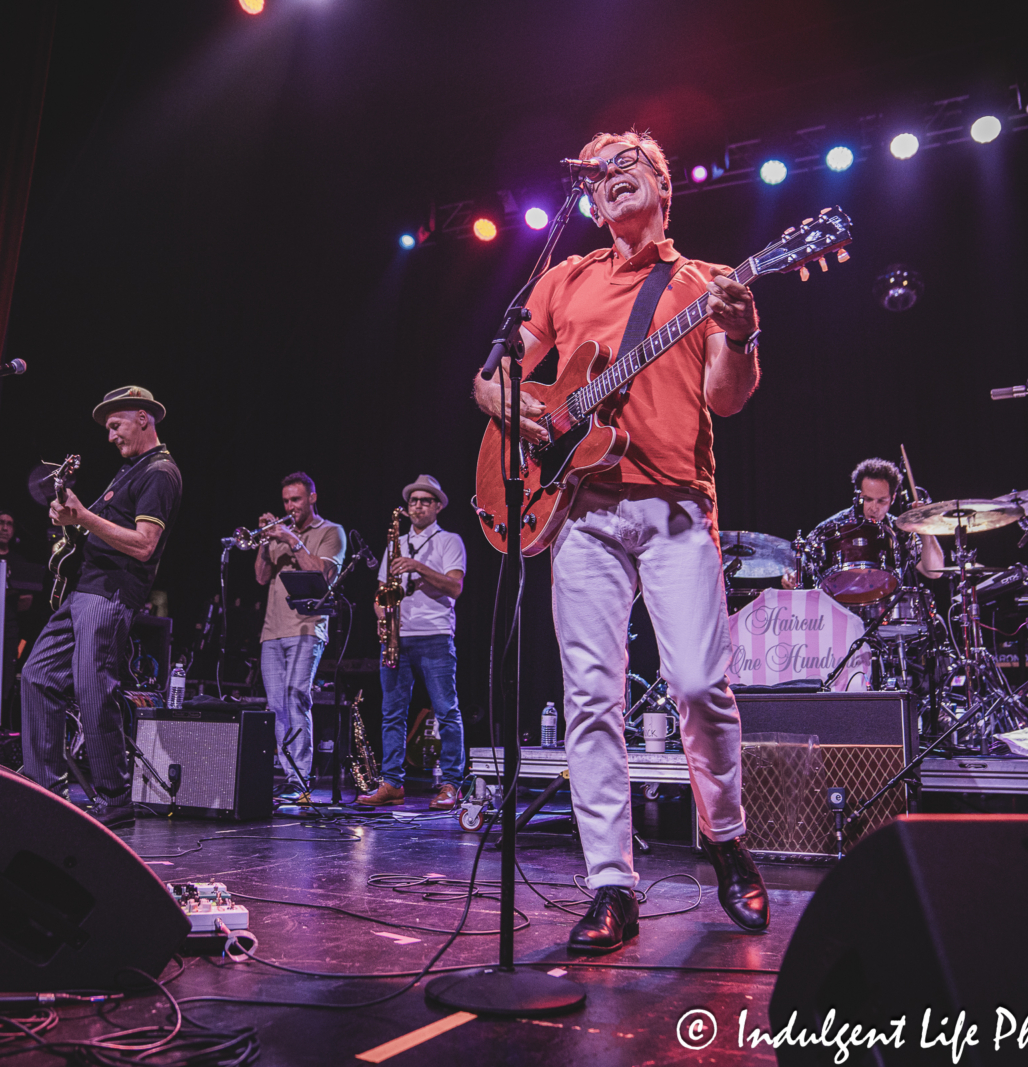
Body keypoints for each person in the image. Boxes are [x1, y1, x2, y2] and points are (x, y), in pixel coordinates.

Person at [472, 130, 769, 951]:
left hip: (676, 508)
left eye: (625, 163)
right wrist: (504, 403)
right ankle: (611, 881)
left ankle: (725, 837)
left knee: (700, 682)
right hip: (579, 511)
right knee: (591, 698)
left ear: (663, 186)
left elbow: (728, 397)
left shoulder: (707, 283)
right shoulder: (564, 278)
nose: (608, 176)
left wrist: (739, 336)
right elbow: (497, 372)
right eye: (596, 170)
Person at [20, 386, 181, 831]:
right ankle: (45, 789)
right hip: (83, 589)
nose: (109, 436)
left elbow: (145, 545)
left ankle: (114, 797)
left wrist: (84, 517)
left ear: (144, 418)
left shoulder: (161, 473)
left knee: (94, 688)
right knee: (36, 675)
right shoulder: (129, 472)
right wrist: (72, 519)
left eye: (116, 425)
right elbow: (96, 530)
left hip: (111, 594)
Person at [358, 475, 468, 809]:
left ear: (437, 506)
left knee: (447, 711)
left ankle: (452, 783)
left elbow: (454, 588)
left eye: (424, 500)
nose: (416, 505)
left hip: (434, 636)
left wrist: (418, 567)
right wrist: (382, 615)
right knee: (392, 713)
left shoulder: (450, 541)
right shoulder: (396, 543)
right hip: (396, 638)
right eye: (413, 501)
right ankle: (391, 782)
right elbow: (380, 594)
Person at [254, 471, 345, 802]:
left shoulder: (331, 532)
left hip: (307, 628)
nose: (290, 506)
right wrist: (266, 542)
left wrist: (292, 540)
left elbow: (322, 574)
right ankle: (288, 774)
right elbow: (261, 577)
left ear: (312, 498)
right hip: (272, 631)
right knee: (276, 705)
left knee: (296, 697)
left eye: (296, 499)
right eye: (286, 501)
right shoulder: (277, 534)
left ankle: (300, 777)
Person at [786, 458, 945, 588]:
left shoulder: (900, 530)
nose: (874, 507)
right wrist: (792, 574)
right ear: (857, 496)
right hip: (841, 611)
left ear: (893, 498)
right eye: (868, 499)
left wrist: (925, 528)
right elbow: (801, 560)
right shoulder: (834, 527)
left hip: (888, 615)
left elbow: (934, 572)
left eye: (882, 501)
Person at [0, 510, 45, 730]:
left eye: (9, 524)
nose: (5, 528)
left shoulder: (18, 562)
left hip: (8, 632)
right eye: (0, 523)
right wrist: (2, 591)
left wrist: (19, 594)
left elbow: (26, 602)